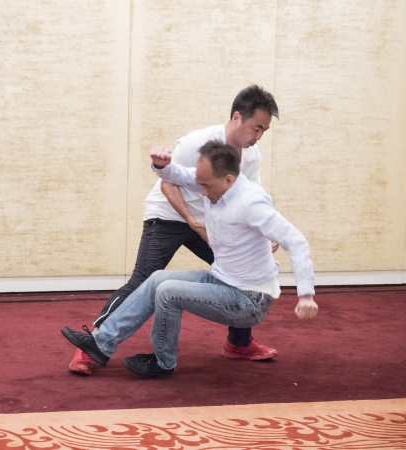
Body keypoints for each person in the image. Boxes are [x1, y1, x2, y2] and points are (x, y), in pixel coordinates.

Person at [69, 85, 280, 375]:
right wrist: (193, 221)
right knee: (144, 279)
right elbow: (168, 183)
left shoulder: (252, 156)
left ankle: (238, 343)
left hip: (206, 221)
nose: (258, 137)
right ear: (236, 118)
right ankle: (92, 346)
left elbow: (249, 198)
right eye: (256, 128)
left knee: (236, 272)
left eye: (263, 131)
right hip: (168, 213)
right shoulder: (197, 143)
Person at [62, 141, 318, 378]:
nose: (202, 192)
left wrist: (306, 294)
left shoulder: (252, 202)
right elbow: (178, 175)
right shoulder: (217, 181)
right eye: (200, 184)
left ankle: (162, 363)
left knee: (169, 292)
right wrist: (161, 165)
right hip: (222, 279)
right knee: (157, 279)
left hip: (249, 299)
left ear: (229, 180)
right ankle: (100, 344)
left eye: (206, 186)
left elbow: (296, 241)